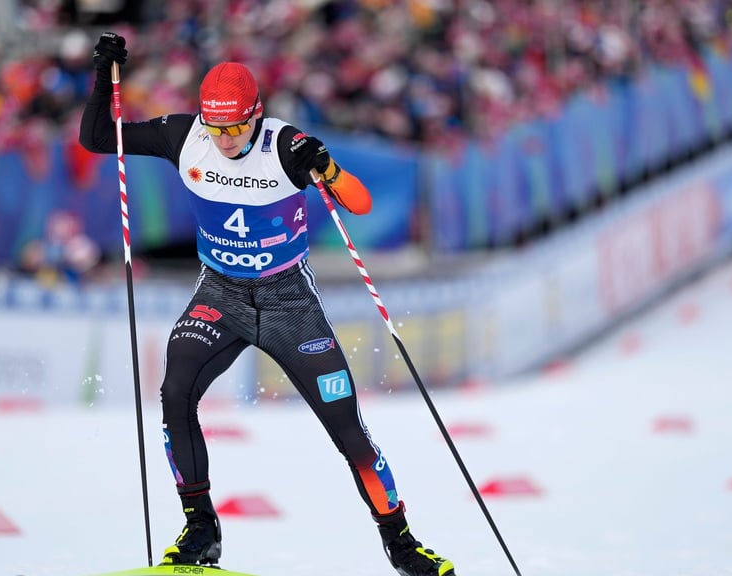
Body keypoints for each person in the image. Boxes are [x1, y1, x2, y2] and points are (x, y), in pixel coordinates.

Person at [79, 32, 455, 576]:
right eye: (217, 127)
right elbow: (96, 138)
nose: (226, 139)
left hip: (288, 302)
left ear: (256, 116)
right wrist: (102, 74)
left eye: (236, 127)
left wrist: (325, 168)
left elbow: (362, 203)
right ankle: (200, 530)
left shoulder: (285, 146)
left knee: (346, 428)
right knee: (175, 391)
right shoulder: (185, 136)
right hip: (221, 294)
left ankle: (401, 544)